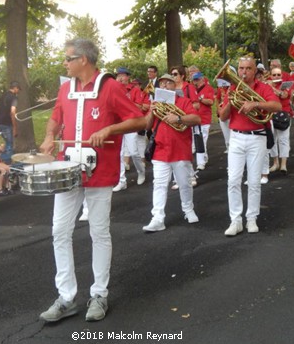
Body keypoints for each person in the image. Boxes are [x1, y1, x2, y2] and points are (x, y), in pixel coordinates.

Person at [38, 39, 146, 323]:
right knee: (59, 231)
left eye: (68, 58)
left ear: (83, 59)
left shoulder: (110, 86)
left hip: (100, 172)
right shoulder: (65, 88)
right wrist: (50, 136)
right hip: (67, 170)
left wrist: (110, 127)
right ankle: (66, 297)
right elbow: (54, 118)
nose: (65, 63)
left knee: (99, 232)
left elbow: (139, 120)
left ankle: (99, 294)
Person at [218, 56, 281, 236]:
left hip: (257, 137)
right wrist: (231, 100)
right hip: (236, 137)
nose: (243, 72)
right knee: (233, 180)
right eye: (241, 68)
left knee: (254, 181)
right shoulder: (231, 88)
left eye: (248, 68)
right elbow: (222, 117)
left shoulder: (263, 88)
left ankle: (251, 218)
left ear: (255, 71)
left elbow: (276, 106)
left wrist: (256, 103)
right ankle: (235, 220)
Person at [142, 73, 201, 232]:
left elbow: (196, 119)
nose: (165, 86)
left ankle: (188, 209)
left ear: (175, 85)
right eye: (162, 83)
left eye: (169, 83)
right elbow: (147, 127)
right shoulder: (156, 103)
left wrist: (179, 118)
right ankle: (157, 217)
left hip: (180, 150)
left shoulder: (184, 101)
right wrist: (151, 112)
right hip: (161, 151)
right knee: (159, 185)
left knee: (184, 183)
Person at [113, 67, 148, 191]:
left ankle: (141, 171)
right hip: (118, 123)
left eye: (123, 75)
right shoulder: (114, 90)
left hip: (131, 123)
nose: (120, 78)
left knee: (133, 152)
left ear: (128, 77)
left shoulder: (135, 90)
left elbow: (140, 107)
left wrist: (127, 101)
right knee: (119, 153)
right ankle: (122, 180)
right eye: (118, 75)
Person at [268, 67, 292, 174]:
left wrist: (272, 88)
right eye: (274, 75)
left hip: (283, 114)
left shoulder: (285, 85)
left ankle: (283, 164)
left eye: (278, 75)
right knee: (272, 140)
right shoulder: (267, 85)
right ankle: (275, 162)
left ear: (281, 76)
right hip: (270, 115)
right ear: (271, 76)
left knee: (283, 140)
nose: (276, 77)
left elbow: (284, 95)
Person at [192, 72, 214, 171]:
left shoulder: (208, 88)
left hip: (205, 119)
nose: (195, 82)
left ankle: (201, 163)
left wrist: (200, 99)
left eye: (197, 80)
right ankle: (204, 158)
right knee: (197, 141)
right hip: (195, 119)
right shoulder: (192, 89)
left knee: (202, 141)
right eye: (194, 80)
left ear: (202, 79)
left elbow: (211, 102)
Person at [0, 81, 21, 163]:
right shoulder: (14, 97)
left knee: (7, 143)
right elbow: (12, 112)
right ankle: (7, 165)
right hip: (7, 123)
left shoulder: (3, 95)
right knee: (9, 145)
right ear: (15, 88)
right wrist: (15, 127)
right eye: (18, 89)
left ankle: (2, 161)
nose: (18, 91)